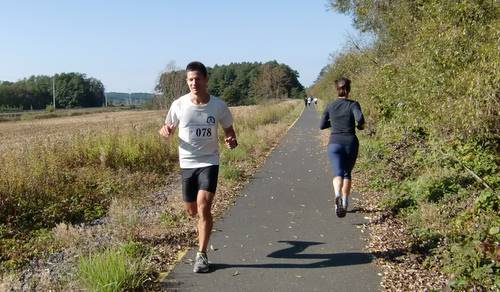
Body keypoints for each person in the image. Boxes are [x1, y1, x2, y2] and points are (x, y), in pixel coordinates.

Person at [159, 61, 238, 273]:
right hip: (187, 163)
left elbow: (229, 131)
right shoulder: (179, 105)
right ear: (187, 81)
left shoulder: (218, 106)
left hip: (209, 161)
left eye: (197, 79)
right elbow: (166, 128)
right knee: (192, 210)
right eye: (190, 79)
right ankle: (200, 229)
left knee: (204, 205)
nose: (194, 83)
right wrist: (165, 131)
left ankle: (201, 255)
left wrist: (231, 140)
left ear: (205, 80)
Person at [319, 77, 364, 217]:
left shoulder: (330, 105)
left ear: (336, 90)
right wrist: (360, 126)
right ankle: (344, 202)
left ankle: (337, 194)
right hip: (350, 142)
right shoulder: (353, 104)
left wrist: (333, 123)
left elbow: (322, 125)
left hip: (335, 143)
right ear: (348, 90)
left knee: (337, 173)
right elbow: (360, 119)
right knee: (347, 174)